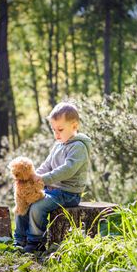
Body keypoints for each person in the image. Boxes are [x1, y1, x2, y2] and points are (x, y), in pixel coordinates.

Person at [14, 102, 92, 253]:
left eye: (60, 130)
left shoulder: (78, 147)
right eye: (54, 130)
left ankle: (36, 242)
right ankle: (20, 240)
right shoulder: (58, 144)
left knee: (38, 207)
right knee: (24, 202)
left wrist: (43, 179)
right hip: (52, 190)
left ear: (74, 126)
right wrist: (32, 177)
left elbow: (67, 170)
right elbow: (47, 164)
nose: (56, 134)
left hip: (68, 193)